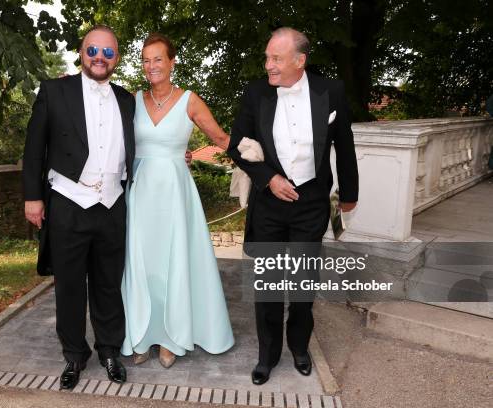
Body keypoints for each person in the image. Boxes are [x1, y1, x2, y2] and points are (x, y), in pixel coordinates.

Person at [227, 27, 359, 385]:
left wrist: (350, 193)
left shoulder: (330, 91)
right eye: (267, 57)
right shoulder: (255, 93)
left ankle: (299, 347)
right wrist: (269, 178)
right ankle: (267, 356)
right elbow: (235, 145)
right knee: (267, 285)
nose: (268, 64)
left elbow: (344, 144)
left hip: (312, 204)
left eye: (276, 58)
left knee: (303, 284)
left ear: (300, 61)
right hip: (269, 204)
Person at [22, 25, 134, 389]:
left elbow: (141, 143)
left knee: (108, 284)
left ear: (116, 58)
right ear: (81, 53)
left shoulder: (126, 99)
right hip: (69, 201)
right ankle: (74, 355)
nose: (100, 58)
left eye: (108, 53)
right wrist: (32, 197)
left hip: (113, 203)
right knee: (70, 286)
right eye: (93, 51)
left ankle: (110, 351)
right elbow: (34, 147)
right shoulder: (55, 90)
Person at [121, 33, 235, 368]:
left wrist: (262, 159)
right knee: (141, 262)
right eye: (146, 60)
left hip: (174, 191)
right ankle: (141, 336)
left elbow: (220, 138)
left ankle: (171, 339)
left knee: (173, 261)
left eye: (158, 59)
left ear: (172, 62)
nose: (151, 66)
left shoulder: (190, 100)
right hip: (140, 192)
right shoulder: (132, 99)